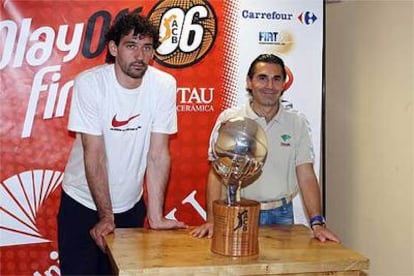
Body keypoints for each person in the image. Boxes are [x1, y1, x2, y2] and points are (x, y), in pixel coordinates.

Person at [58, 13, 187, 275]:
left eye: (147, 47)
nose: (140, 55)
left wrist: (155, 217)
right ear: (114, 48)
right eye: (131, 45)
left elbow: (158, 155)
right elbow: (95, 155)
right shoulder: (91, 83)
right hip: (82, 203)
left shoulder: (163, 85)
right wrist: (106, 217)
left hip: (130, 206)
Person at [190, 54, 340, 243]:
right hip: (238, 211)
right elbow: (217, 173)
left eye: (276, 79)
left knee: (281, 271)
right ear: (249, 82)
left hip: (282, 215)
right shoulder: (230, 120)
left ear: (284, 84)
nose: (270, 86)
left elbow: (306, 175)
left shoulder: (296, 123)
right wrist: (212, 220)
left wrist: (317, 223)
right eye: (262, 78)